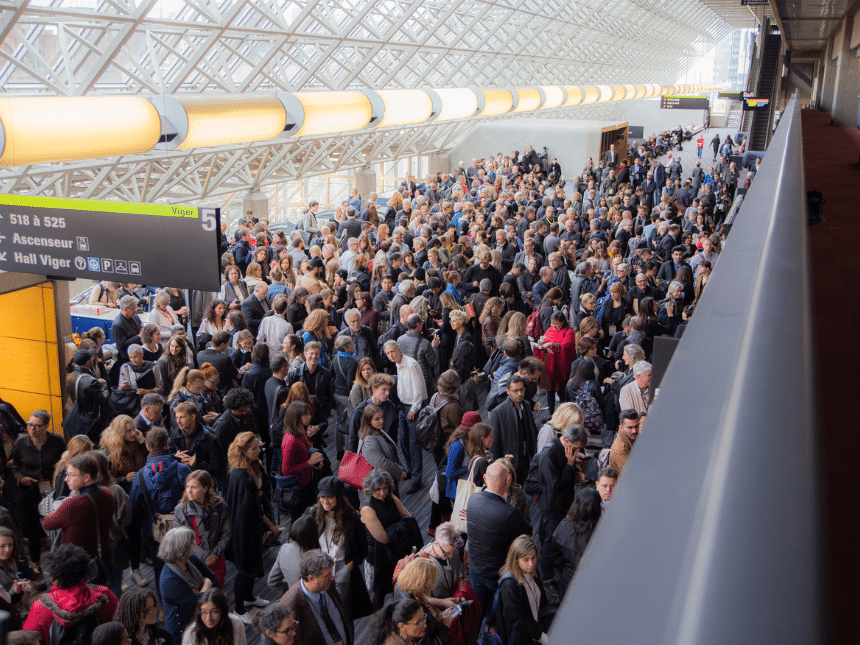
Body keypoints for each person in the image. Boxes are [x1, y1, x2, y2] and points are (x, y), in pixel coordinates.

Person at [465, 462, 532, 614]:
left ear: (484, 478)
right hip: (499, 575)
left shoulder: (472, 500)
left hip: (475, 569)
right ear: (507, 481)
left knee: (479, 612)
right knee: (502, 612)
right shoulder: (508, 513)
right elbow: (527, 533)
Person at [130, 427, 191, 587]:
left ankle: (165, 604)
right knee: (185, 562)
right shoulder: (183, 470)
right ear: (167, 444)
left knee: (160, 566)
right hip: (182, 526)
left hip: (154, 529)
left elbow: (135, 508)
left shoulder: (141, 476)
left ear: (148, 447)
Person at [226, 431, 277, 620]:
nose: (259, 449)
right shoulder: (241, 476)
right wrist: (271, 526)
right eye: (254, 448)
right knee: (244, 570)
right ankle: (238, 610)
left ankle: (248, 597)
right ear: (244, 451)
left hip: (252, 528)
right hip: (244, 531)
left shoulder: (251, 467)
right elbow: (250, 510)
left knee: (251, 566)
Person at [22, 543, 118, 643]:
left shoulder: (40, 607)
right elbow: (117, 621)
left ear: (55, 577)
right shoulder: (102, 593)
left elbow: (28, 639)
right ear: (85, 572)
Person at [43, 453, 115, 577]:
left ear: (86, 477)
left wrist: (57, 511)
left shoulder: (73, 504)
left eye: (70, 475)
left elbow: (47, 523)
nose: (66, 479)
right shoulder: (107, 493)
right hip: (104, 556)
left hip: (79, 564)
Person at [13, 409, 66, 568]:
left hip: (52, 492)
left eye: (37, 426)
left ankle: (59, 565)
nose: (32, 429)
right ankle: (36, 565)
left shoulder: (57, 441)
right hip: (29, 493)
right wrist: (21, 479)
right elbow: (15, 467)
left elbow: (64, 465)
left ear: (46, 426)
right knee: (32, 532)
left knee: (56, 528)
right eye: (29, 425)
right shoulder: (21, 443)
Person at [535, 424, 588, 582]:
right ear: (566, 440)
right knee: (549, 542)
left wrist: (574, 471)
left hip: (563, 502)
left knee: (549, 536)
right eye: (576, 448)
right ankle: (547, 577)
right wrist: (571, 466)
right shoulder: (549, 454)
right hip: (553, 506)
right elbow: (555, 486)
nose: (577, 452)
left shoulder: (564, 449)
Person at [360, 469, 416, 609]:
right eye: (378, 489)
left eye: (385, 488)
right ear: (370, 489)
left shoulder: (391, 497)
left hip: (396, 551)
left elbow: (409, 518)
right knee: (379, 592)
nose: (382, 492)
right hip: (378, 558)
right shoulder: (367, 509)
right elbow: (383, 538)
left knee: (400, 586)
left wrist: (395, 529)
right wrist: (400, 527)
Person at [278, 550, 354, 645]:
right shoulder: (290, 604)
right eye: (327, 575)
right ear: (311, 578)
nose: (332, 578)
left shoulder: (327, 584)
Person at [158, 527, 218, 643]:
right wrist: (206, 584)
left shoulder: (191, 559)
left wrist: (201, 592)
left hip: (201, 621)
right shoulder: (169, 580)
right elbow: (197, 605)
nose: (194, 544)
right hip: (184, 631)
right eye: (190, 543)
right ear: (181, 549)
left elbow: (213, 580)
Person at [381, 340, 426, 493]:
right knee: (404, 441)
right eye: (388, 353)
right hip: (402, 407)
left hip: (413, 408)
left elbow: (419, 391)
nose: (390, 355)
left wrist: (413, 409)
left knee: (414, 444)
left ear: (399, 349)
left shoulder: (411, 365)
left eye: (392, 351)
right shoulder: (398, 364)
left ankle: (417, 479)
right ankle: (410, 470)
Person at [173, 470, 231, 587]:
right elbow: (181, 540)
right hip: (193, 559)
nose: (189, 491)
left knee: (216, 589)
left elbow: (227, 533)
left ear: (205, 489)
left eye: (194, 487)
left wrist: (214, 555)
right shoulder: (181, 509)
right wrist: (205, 556)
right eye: (187, 486)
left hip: (216, 557)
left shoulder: (220, 506)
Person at [492, 536, 551, 645]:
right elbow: (517, 619)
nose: (531, 564)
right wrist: (540, 635)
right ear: (515, 560)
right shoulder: (509, 585)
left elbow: (541, 601)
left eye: (533, 558)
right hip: (521, 638)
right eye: (526, 559)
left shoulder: (532, 571)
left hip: (534, 630)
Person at [392, 558, 457, 645]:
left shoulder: (402, 587)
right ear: (424, 583)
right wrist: (445, 626)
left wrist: (442, 604)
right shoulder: (415, 611)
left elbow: (424, 599)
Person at [550, 487, 602, 596]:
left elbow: (555, 556)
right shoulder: (601, 532)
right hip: (595, 582)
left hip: (569, 579)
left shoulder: (563, 526)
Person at [488, 375, 537, 484]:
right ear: (508, 391)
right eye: (515, 391)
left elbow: (531, 431)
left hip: (526, 458)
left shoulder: (527, 406)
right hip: (510, 462)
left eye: (521, 390)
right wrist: (499, 465)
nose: (519, 394)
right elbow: (494, 442)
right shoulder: (498, 412)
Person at [170, 401, 226, 483]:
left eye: (182, 417)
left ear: (192, 417)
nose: (178, 421)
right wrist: (176, 458)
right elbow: (169, 455)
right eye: (177, 417)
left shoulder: (211, 438)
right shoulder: (175, 434)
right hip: (181, 483)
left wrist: (196, 464)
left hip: (202, 485)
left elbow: (218, 468)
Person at [358, 404, 406, 495]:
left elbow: (393, 452)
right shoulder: (369, 439)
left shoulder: (378, 430)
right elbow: (381, 463)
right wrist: (400, 472)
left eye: (381, 417)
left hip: (387, 480)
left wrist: (401, 468)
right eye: (377, 419)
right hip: (378, 487)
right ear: (368, 421)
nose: (381, 421)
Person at [534, 312, 576, 415]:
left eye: (556, 323)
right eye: (552, 323)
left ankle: (563, 415)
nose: (554, 326)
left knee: (561, 392)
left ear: (562, 322)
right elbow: (545, 342)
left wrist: (551, 344)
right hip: (549, 364)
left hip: (561, 365)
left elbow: (565, 345)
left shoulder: (569, 331)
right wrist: (541, 344)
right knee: (550, 391)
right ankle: (551, 415)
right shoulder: (549, 330)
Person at [267, 514, 320, 594]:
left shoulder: (284, 548)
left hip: (293, 600)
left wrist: (290, 591)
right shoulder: (314, 560)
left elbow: (272, 582)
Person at [182, 588, 247, 645]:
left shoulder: (236, 623)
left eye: (214, 612)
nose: (208, 618)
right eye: (204, 612)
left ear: (222, 611)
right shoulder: (191, 634)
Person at [101, 414, 147, 492]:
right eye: (128, 431)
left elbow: (150, 457)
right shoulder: (109, 451)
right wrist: (125, 479)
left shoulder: (138, 442)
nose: (133, 433)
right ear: (120, 432)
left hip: (141, 488)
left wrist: (142, 442)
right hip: (124, 492)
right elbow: (106, 480)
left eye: (134, 428)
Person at [609, 409, 642, 475]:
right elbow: (633, 475)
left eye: (636, 426)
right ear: (621, 428)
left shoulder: (631, 438)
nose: (634, 431)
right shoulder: (620, 450)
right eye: (630, 428)